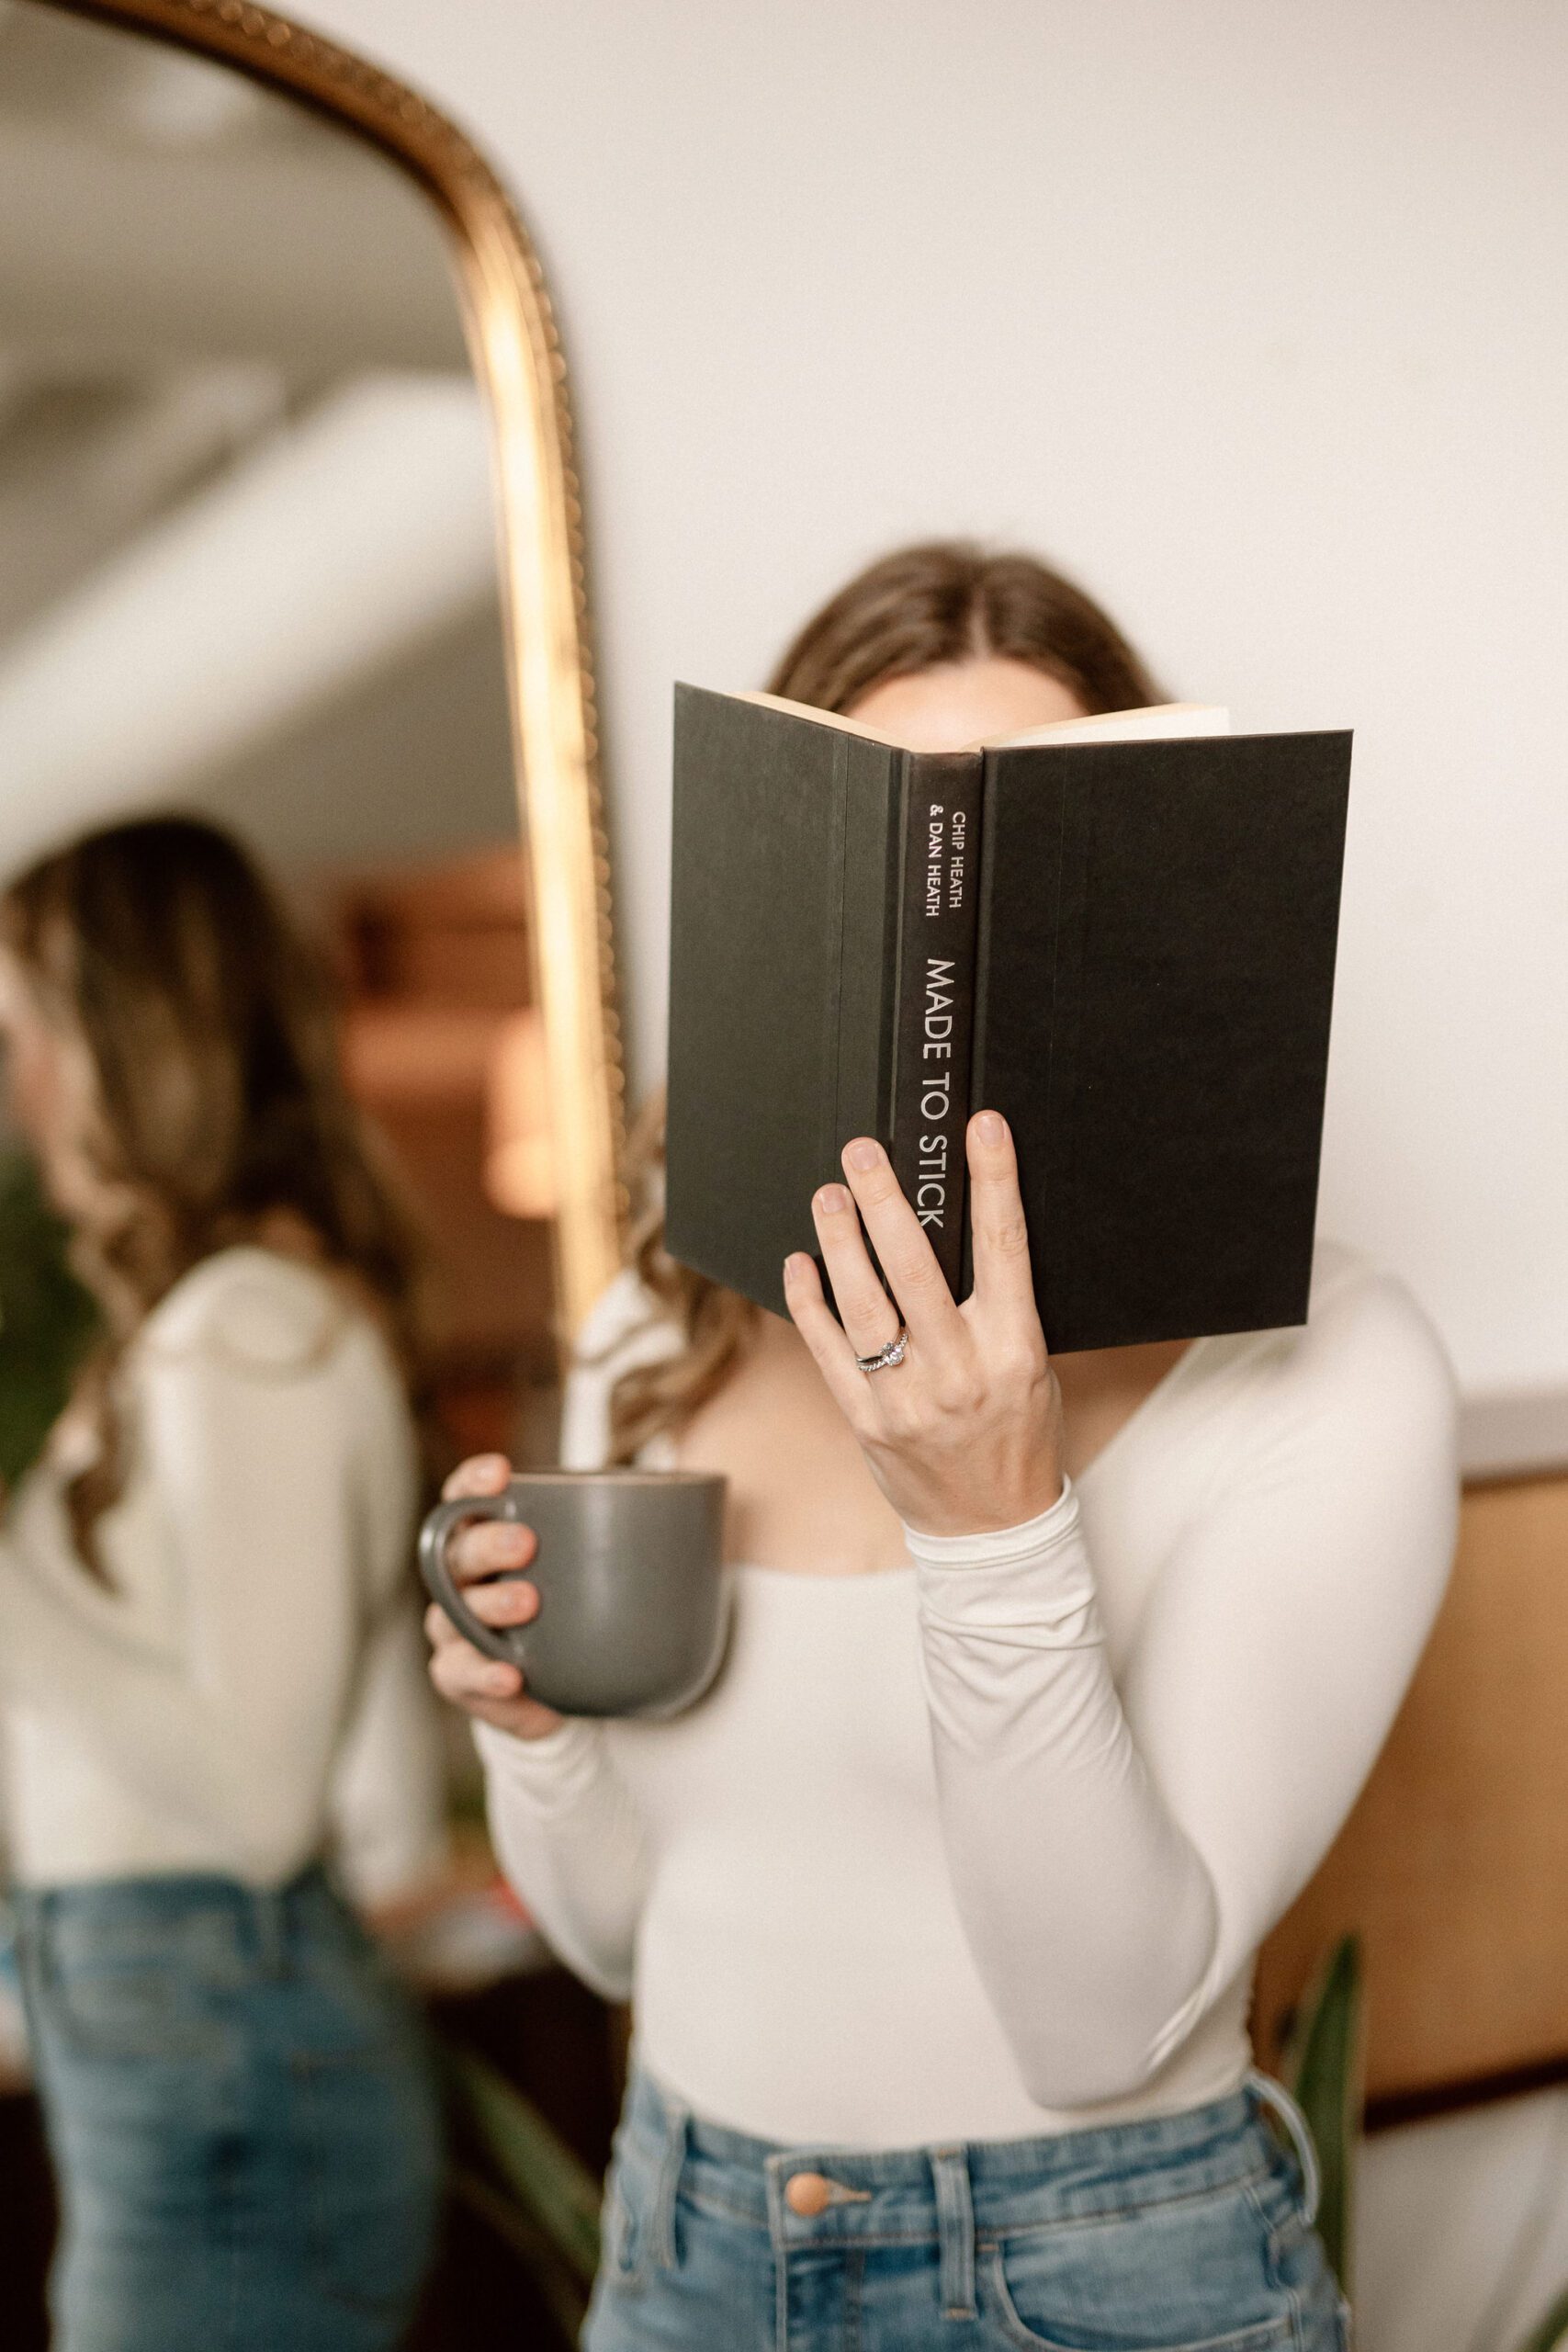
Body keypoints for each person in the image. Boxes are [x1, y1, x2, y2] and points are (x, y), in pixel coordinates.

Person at [426, 542, 1459, 2352]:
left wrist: (989, 1520)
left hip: (1096, 2279)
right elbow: (613, 1937)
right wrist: (533, 1720)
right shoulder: (650, 1333)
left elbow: (1096, 2018)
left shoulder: (1326, 1364)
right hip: (682, 2250)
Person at [0, 817, 446, 2352]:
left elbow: (258, 1805)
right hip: (193, 2065)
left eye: (32, 1031)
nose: (23, 1090)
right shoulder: (221, 1323)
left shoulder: (245, 1328)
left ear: (133, 1042)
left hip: (228, 2089)